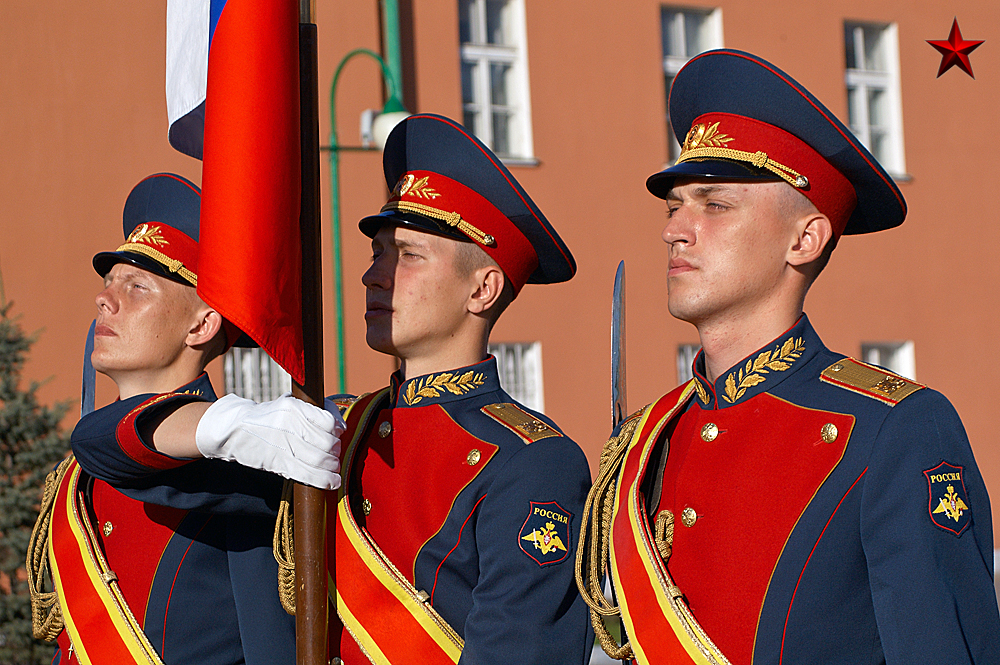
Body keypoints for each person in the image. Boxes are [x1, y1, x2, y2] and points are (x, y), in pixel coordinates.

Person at [576, 50, 1000, 664]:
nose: (674, 230)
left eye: (714, 205)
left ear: (805, 239)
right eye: (675, 207)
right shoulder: (650, 439)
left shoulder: (894, 429)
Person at [29, 173, 343, 665]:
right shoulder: (79, 472)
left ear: (201, 324)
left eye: (137, 287)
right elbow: (101, 439)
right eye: (108, 283)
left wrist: (228, 429)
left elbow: (269, 643)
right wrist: (226, 425)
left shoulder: (242, 464)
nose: (104, 300)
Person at [322, 113, 594, 664]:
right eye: (378, 253)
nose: (375, 275)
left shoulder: (531, 462)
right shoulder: (339, 431)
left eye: (409, 256)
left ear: (483, 288)